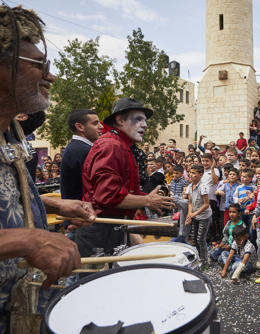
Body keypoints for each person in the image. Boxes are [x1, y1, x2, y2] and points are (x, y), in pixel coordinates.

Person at [0, 6, 98, 331]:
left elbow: (11, 201)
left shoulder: (10, 131)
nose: (51, 76)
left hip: (25, 309)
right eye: (40, 65)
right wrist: (26, 241)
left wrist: (54, 204)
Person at [78, 98, 172, 257]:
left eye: (145, 120)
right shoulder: (111, 146)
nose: (145, 125)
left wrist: (149, 197)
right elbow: (107, 196)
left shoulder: (120, 145)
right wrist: (147, 201)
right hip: (100, 232)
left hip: (112, 228)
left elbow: (121, 192)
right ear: (120, 120)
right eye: (138, 119)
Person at [185, 164, 212, 268]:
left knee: (201, 238)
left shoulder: (203, 186)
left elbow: (206, 204)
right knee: (195, 238)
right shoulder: (189, 186)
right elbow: (190, 203)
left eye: (194, 173)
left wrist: (194, 214)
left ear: (201, 174)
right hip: (195, 216)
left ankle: (205, 261)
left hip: (204, 216)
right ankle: (200, 257)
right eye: (190, 172)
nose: (191, 175)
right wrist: (189, 216)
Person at [233, 168, 256, 245]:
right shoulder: (239, 187)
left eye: (245, 177)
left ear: (250, 178)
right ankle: (243, 243)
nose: (242, 178)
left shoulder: (253, 187)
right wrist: (238, 200)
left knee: (250, 229)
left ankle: (251, 244)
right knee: (242, 227)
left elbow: (255, 198)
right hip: (242, 211)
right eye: (242, 176)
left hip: (250, 212)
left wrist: (250, 197)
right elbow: (235, 197)